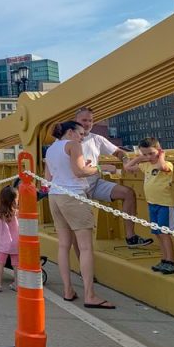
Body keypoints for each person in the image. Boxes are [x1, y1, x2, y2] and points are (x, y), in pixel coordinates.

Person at [45, 120, 114, 309]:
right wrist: (101, 168)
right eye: (81, 133)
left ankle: (68, 290)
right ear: (70, 132)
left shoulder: (51, 149)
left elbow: (48, 178)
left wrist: (83, 167)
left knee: (63, 245)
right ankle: (90, 295)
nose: (82, 137)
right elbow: (80, 171)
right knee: (85, 248)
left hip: (55, 196)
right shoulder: (73, 145)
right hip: (73, 196)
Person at [74, 107, 153, 247]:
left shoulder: (96, 139)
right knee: (80, 229)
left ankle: (131, 237)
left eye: (90, 120)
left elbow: (119, 152)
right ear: (76, 121)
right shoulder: (66, 141)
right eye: (84, 120)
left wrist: (126, 162)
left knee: (128, 193)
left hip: (94, 184)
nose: (87, 123)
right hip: (74, 189)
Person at [123, 138, 174, 274]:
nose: (148, 157)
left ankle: (170, 262)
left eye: (151, 153)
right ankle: (164, 260)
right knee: (158, 234)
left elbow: (161, 167)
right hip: (152, 204)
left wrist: (162, 156)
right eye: (145, 154)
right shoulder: (145, 165)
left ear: (158, 151)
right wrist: (139, 158)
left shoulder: (167, 164)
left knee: (164, 234)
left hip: (165, 205)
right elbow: (128, 168)